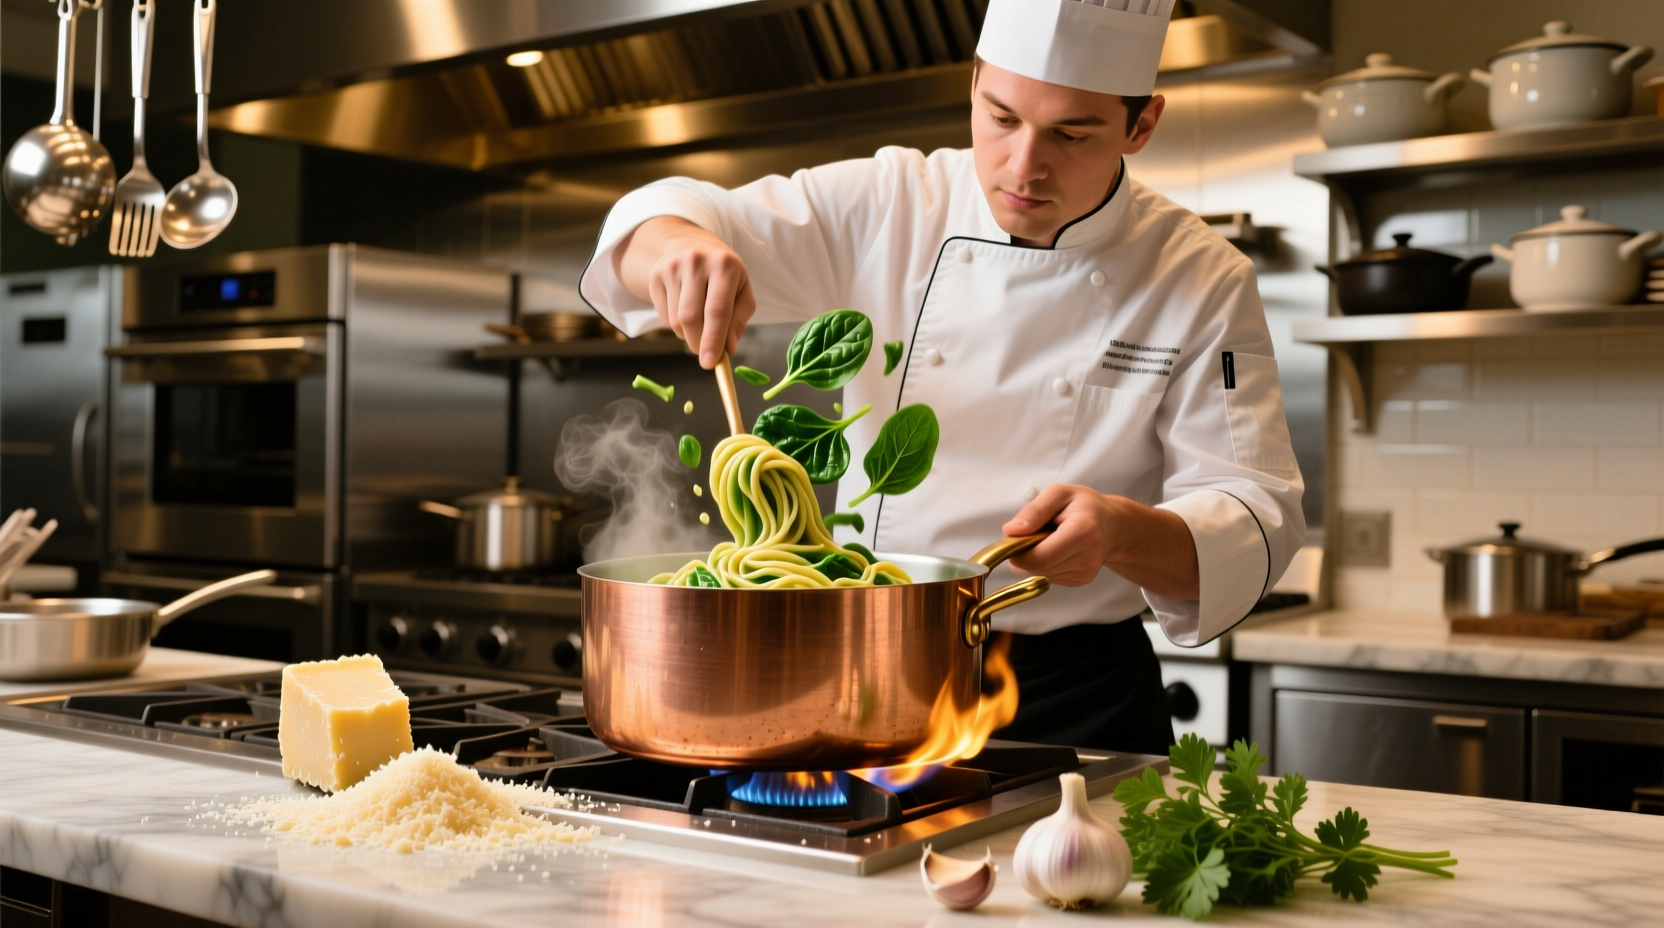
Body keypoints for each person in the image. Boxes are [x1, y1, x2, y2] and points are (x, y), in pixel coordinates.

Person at [578, 0, 1304, 756]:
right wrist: (675, 247)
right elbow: (665, 216)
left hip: (1075, 697)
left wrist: (1124, 531)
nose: (1024, 166)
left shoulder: (1200, 276)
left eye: (1071, 134)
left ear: (1141, 125)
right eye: (1000, 118)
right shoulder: (892, 202)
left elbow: (1257, 511)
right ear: (974, 86)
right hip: (866, 671)